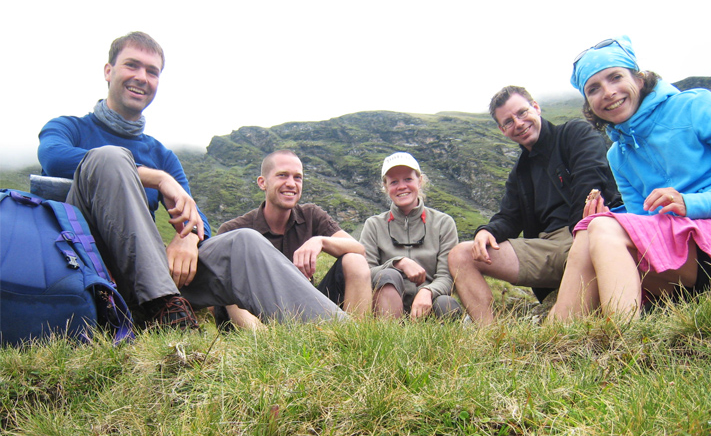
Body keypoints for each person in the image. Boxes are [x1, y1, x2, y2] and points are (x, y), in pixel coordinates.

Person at [37, 31, 347, 329]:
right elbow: (54, 158)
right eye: (132, 65)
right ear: (108, 70)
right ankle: (163, 303)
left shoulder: (163, 154)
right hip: (88, 265)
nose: (142, 77)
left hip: (144, 279)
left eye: (152, 71)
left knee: (244, 240)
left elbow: (198, 221)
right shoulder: (68, 128)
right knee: (108, 158)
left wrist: (187, 237)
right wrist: (156, 178)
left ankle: (337, 331)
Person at [549, 36, 711, 321]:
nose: (608, 92)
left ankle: (620, 345)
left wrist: (692, 203)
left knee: (603, 229)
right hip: (691, 249)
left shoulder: (694, 106)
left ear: (639, 78)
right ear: (589, 103)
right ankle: (555, 339)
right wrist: (613, 216)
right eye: (594, 89)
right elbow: (646, 220)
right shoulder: (619, 154)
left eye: (615, 77)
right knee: (589, 229)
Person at [448, 86, 622, 325]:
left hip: (588, 235)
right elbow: (509, 217)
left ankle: (566, 306)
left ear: (536, 108)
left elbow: (590, 182)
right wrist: (487, 231)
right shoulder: (520, 172)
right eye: (508, 122)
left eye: (522, 113)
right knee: (461, 255)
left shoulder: (575, 134)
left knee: (556, 329)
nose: (518, 123)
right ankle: (489, 336)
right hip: (547, 248)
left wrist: (578, 240)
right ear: (502, 130)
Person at [214, 150, 372, 329]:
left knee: (355, 260)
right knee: (229, 275)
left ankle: (354, 340)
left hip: (303, 310)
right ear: (262, 183)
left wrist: (321, 241)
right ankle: (263, 343)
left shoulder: (311, 215)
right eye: (282, 175)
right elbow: (217, 287)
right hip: (254, 315)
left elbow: (359, 249)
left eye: (297, 177)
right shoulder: (233, 230)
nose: (291, 184)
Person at [360, 152, 461, 319]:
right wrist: (397, 263)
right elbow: (365, 273)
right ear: (386, 187)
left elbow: (447, 276)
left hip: (429, 306)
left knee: (446, 303)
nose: (401, 187)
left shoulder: (444, 223)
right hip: (386, 309)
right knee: (387, 275)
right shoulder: (373, 225)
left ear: (419, 181)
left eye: (408, 179)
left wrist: (428, 291)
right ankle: (388, 339)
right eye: (394, 182)